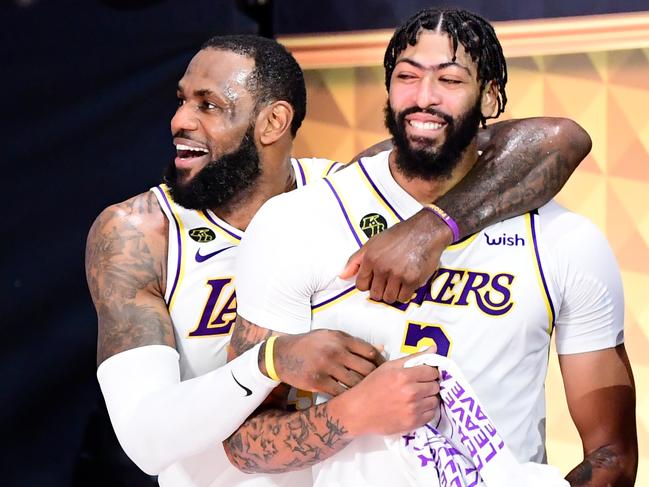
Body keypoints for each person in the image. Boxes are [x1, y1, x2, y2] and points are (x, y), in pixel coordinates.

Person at [86, 34, 592, 487]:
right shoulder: (138, 232)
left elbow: (557, 138)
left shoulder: (339, 192)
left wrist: (431, 227)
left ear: (273, 122)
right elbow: (145, 442)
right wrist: (272, 360)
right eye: (181, 101)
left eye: (209, 105)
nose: (179, 121)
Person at [226, 9, 637, 487]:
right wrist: (355, 414)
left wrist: (433, 227)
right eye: (407, 77)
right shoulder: (299, 220)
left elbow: (612, 456)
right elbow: (244, 445)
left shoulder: (566, 240)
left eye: (449, 79)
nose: (423, 98)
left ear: (490, 96)